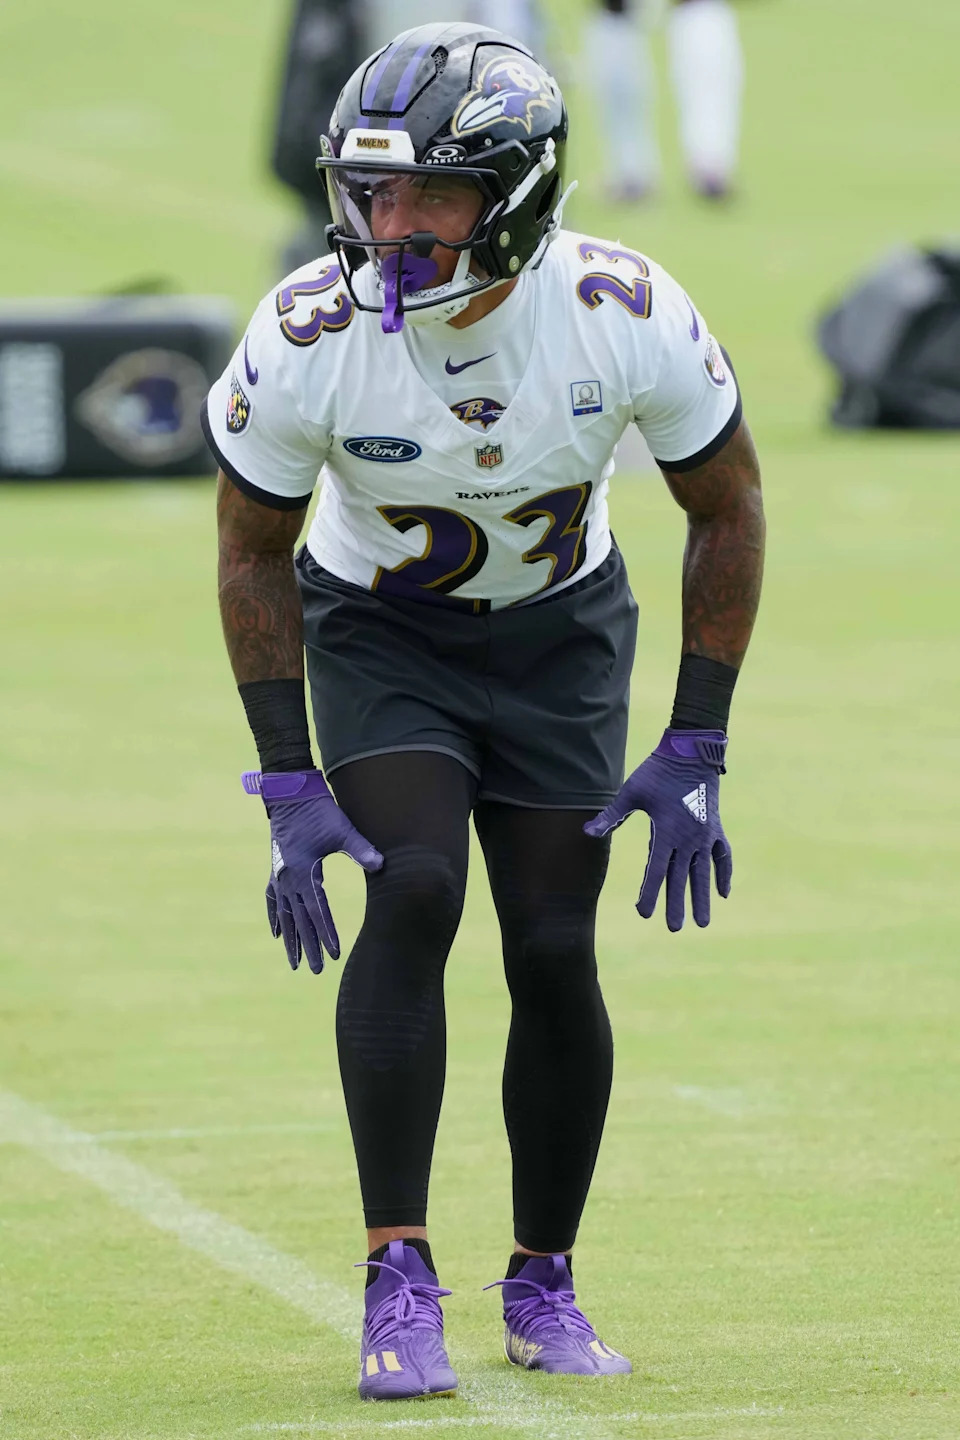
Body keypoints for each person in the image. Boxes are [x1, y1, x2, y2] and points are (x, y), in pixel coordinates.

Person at [203, 21, 765, 1402]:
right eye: (374, 193)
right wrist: (286, 770)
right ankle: (398, 1277)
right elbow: (248, 548)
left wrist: (698, 738)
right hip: (382, 630)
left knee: (558, 942)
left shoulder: (621, 310)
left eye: (434, 197)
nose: (393, 226)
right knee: (414, 889)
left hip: (562, 634)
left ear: (515, 197)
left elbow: (728, 502)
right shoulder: (306, 335)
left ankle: (542, 1279)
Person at [588, 0, 745, 200]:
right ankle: (633, 175)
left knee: (707, 84)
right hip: (620, 20)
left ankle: (709, 171)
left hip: (697, 13)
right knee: (623, 91)